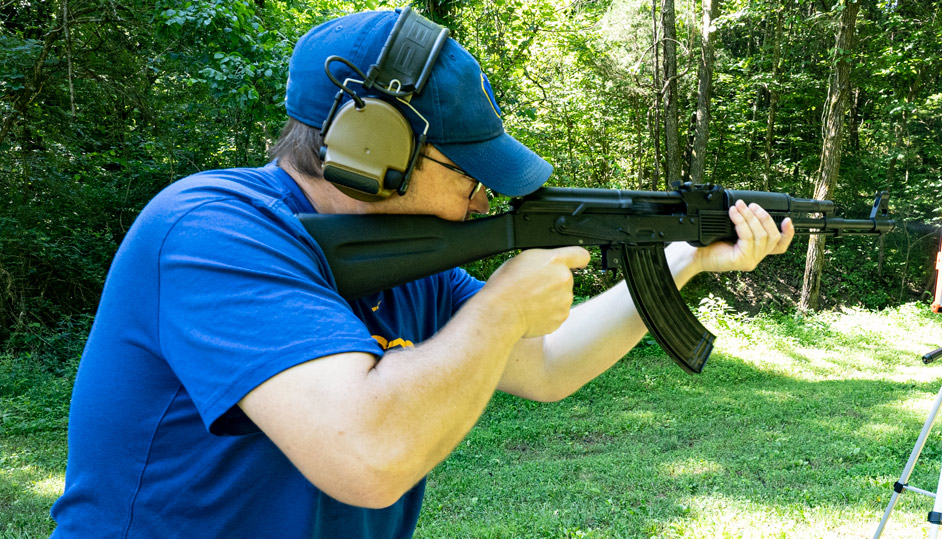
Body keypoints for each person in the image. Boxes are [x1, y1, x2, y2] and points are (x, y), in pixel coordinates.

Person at [49, 9, 793, 538]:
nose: (484, 194)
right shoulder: (210, 232)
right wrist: (499, 307)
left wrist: (684, 258)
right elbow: (367, 457)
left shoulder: (403, 250)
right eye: (466, 170)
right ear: (370, 149)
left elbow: (547, 365)